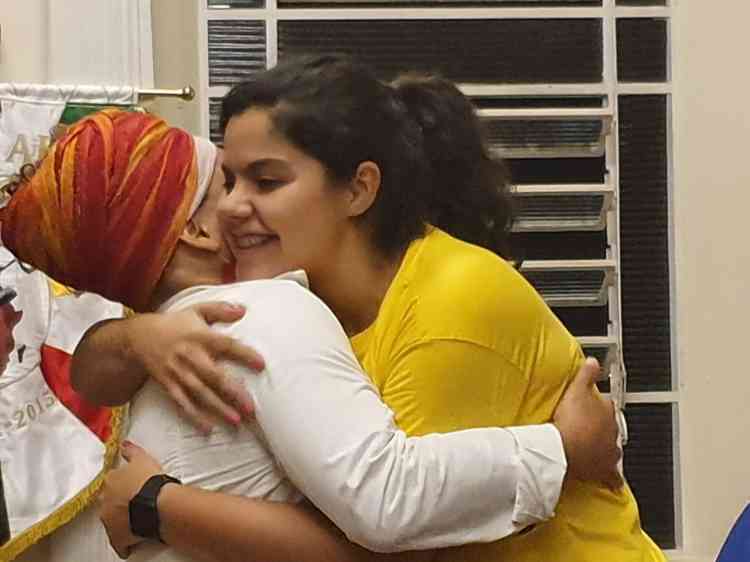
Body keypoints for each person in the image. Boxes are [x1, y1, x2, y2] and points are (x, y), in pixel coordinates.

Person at [0, 107, 619, 562]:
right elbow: (385, 500)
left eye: (266, 182)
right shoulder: (260, 314)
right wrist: (564, 448)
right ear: (196, 232)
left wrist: (153, 503)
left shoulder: (156, 356)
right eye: (230, 185)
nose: (245, 205)